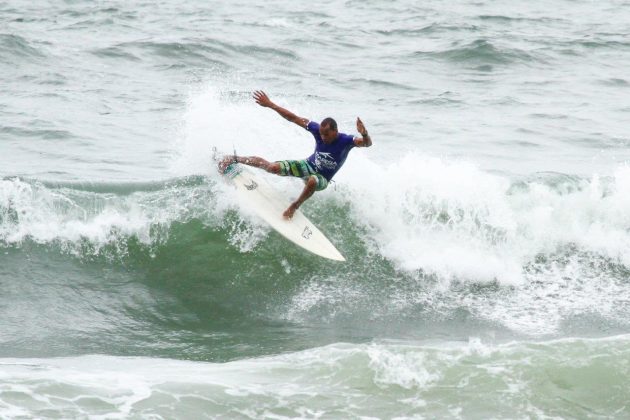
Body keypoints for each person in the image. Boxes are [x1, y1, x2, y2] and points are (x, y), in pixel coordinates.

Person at [219, 90, 373, 219]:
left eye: (326, 134)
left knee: (312, 181)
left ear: (335, 131)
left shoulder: (346, 140)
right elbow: (293, 118)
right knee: (272, 167)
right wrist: (271, 105)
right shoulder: (316, 129)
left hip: (322, 179)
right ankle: (234, 158)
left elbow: (367, 144)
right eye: (321, 134)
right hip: (308, 166)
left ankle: (295, 206)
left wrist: (364, 134)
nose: (323, 137)